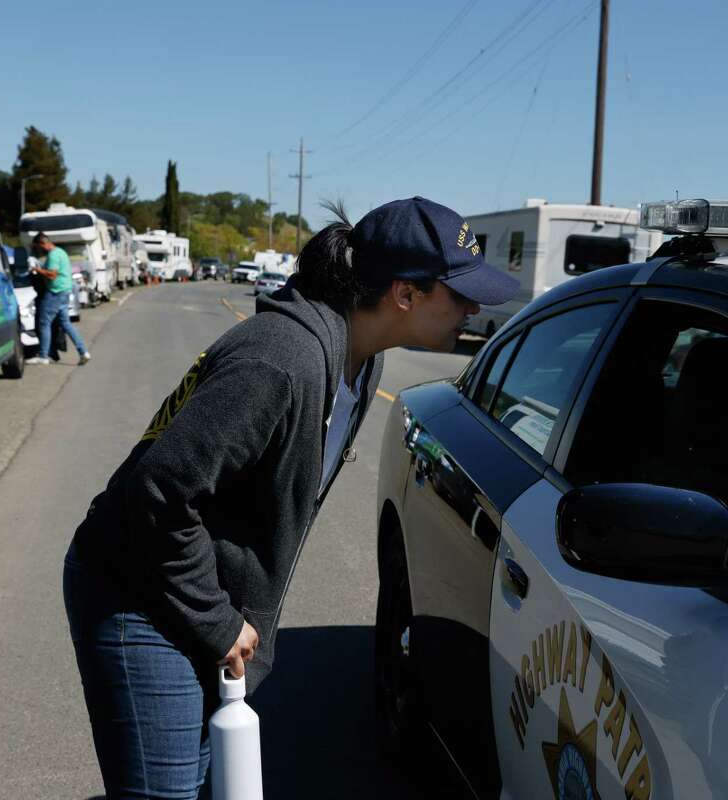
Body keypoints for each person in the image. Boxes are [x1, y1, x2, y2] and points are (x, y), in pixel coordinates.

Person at [62, 197, 520, 798]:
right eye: (460, 293)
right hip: (137, 591)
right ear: (405, 294)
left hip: (185, 593)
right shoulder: (283, 361)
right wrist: (218, 619)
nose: (474, 308)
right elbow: (153, 497)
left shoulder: (360, 364)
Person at [27, 232, 90, 366]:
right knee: (66, 324)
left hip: (55, 293)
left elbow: (52, 275)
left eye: (37, 247)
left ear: (42, 243)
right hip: (65, 292)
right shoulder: (61, 252)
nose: (38, 250)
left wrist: (37, 270)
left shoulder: (53, 255)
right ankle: (83, 352)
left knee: (44, 322)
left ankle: (43, 355)